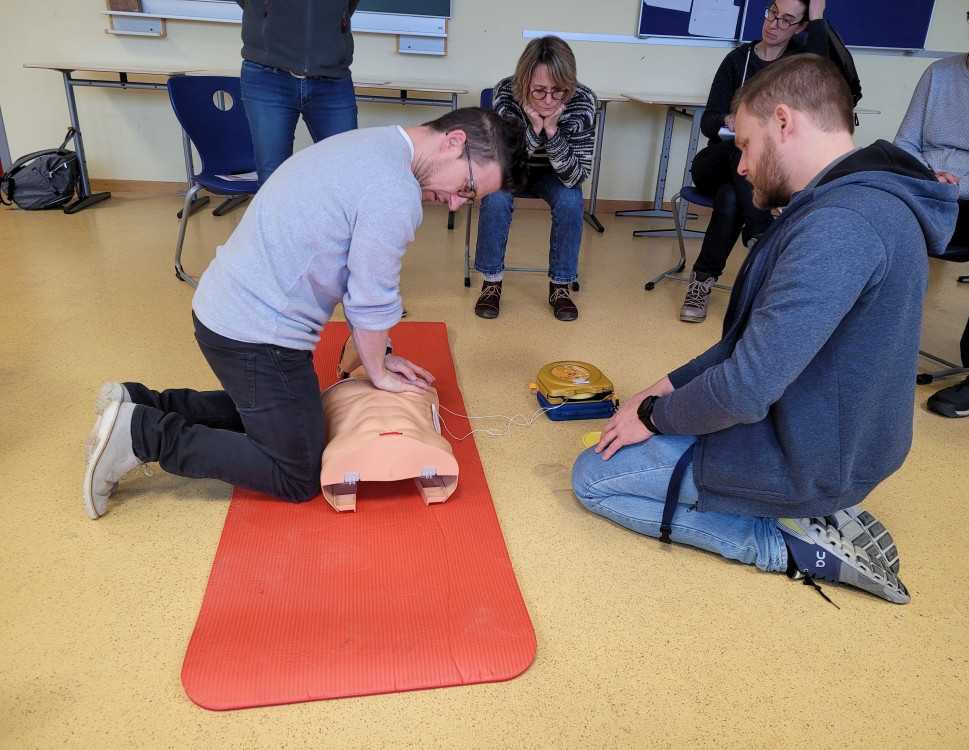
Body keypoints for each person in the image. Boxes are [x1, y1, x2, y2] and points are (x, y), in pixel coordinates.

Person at [572, 55, 960, 604]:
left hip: (808, 455)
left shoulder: (841, 226)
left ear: (783, 121)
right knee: (644, 431)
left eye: (746, 144)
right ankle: (809, 510)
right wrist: (656, 393)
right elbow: (744, 347)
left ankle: (785, 541)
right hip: (832, 432)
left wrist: (655, 417)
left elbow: (744, 389)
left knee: (593, 479)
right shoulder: (852, 200)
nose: (742, 165)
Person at [82, 108, 528, 520]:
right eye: (467, 189)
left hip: (224, 306)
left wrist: (376, 355)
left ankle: (136, 402)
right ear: (454, 141)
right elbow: (370, 297)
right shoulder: (395, 190)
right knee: (295, 472)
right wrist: (378, 371)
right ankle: (142, 434)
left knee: (297, 418)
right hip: (254, 333)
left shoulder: (376, 143)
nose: (455, 203)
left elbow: (356, 276)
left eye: (468, 200)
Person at [680, 0, 829, 323]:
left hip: (762, 172)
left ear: (801, 28)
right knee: (742, 146)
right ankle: (761, 232)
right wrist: (728, 119)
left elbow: (823, 71)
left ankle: (701, 281)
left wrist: (818, 16)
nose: (773, 23)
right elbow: (708, 121)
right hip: (717, 161)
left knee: (731, 198)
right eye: (772, 13)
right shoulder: (738, 60)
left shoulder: (798, 66)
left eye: (786, 20)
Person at [894, 0, 969, 419]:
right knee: (864, 216)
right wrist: (928, 179)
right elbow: (905, 143)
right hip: (924, 187)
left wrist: (957, 189)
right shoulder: (938, 73)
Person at [472, 35, 597, 322]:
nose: (549, 100)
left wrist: (551, 132)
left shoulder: (583, 101)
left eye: (558, 91)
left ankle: (560, 286)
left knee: (571, 201)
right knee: (495, 196)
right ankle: (491, 282)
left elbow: (576, 175)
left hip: (556, 174)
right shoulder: (505, 94)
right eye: (539, 91)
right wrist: (533, 128)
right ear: (524, 82)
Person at [235, 0, 361, 187]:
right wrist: (267, 14)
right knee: (273, 177)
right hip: (268, 75)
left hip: (332, 79)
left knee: (344, 174)